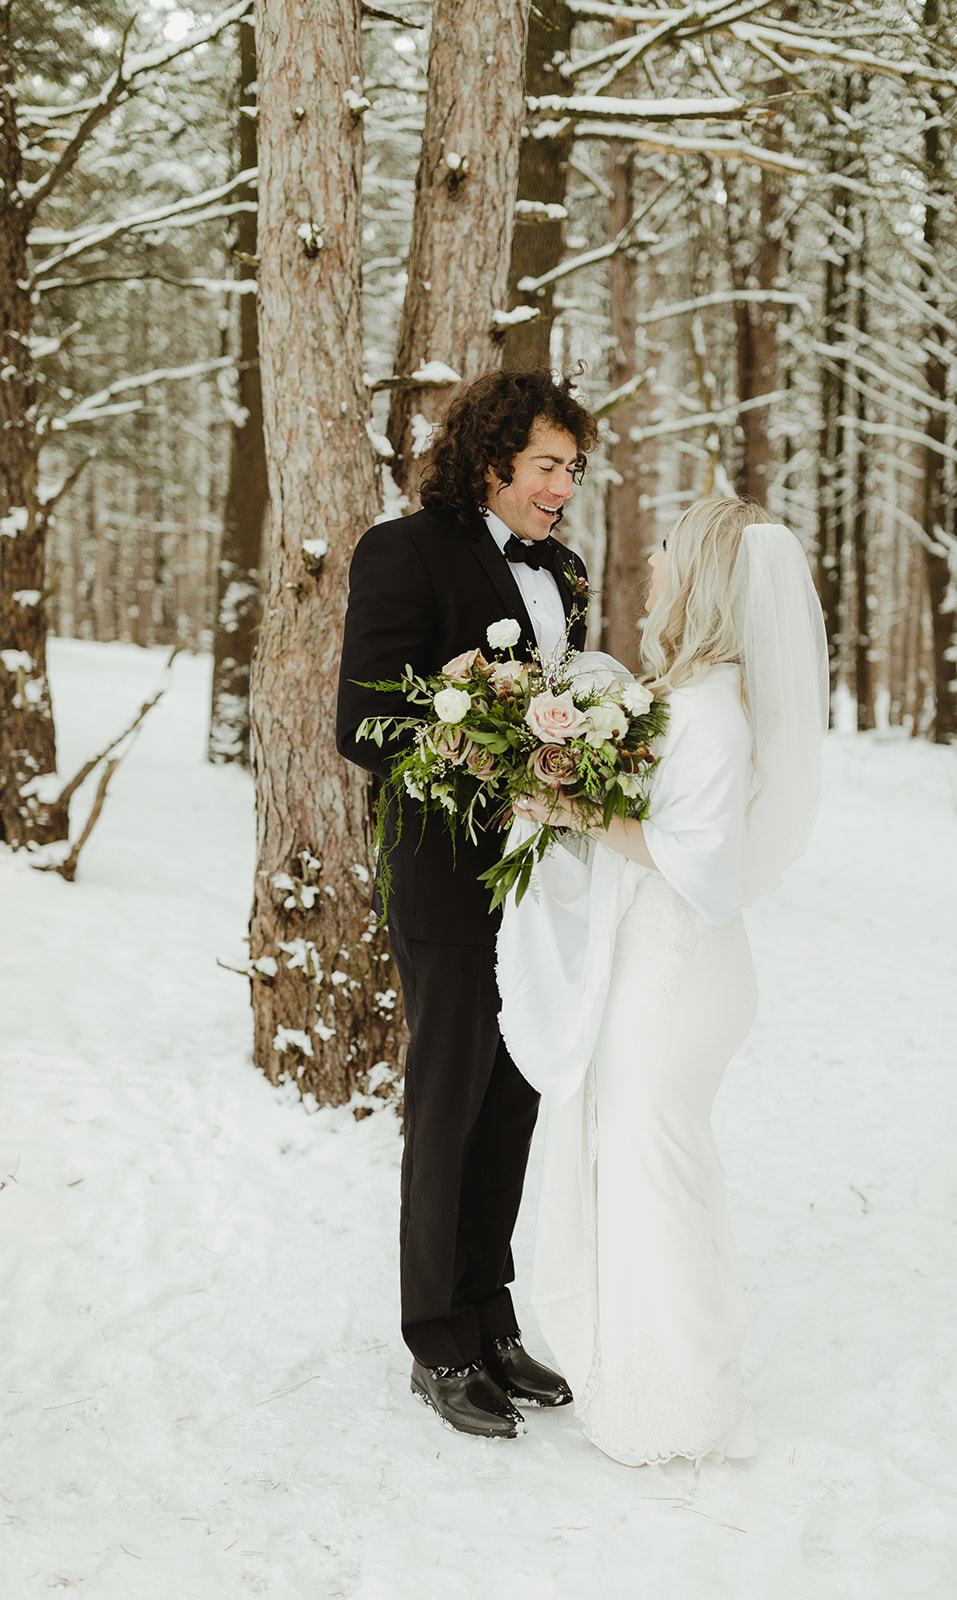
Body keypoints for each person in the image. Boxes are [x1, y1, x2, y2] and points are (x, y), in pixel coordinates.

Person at [498, 497, 829, 1466]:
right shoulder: (699, 694)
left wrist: (563, 806)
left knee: (653, 1180)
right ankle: (670, 1375)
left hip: (675, 978)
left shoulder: (710, 713)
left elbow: (699, 864)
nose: (653, 560)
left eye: (671, 551)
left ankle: (672, 1405)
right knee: (656, 1175)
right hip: (664, 964)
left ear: (706, 578)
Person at [336, 368, 600, 1439]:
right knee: (449, 1094)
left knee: (516, 1089)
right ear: (491, 458)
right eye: (547, 467)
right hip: (445, 871)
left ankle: (490, 1315)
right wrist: (475, 732)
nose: (562, 491)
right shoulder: (400, 551)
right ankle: (434, 1337)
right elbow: (362, 723)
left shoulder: (565, 574)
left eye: (573, 470)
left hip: (540, 875)